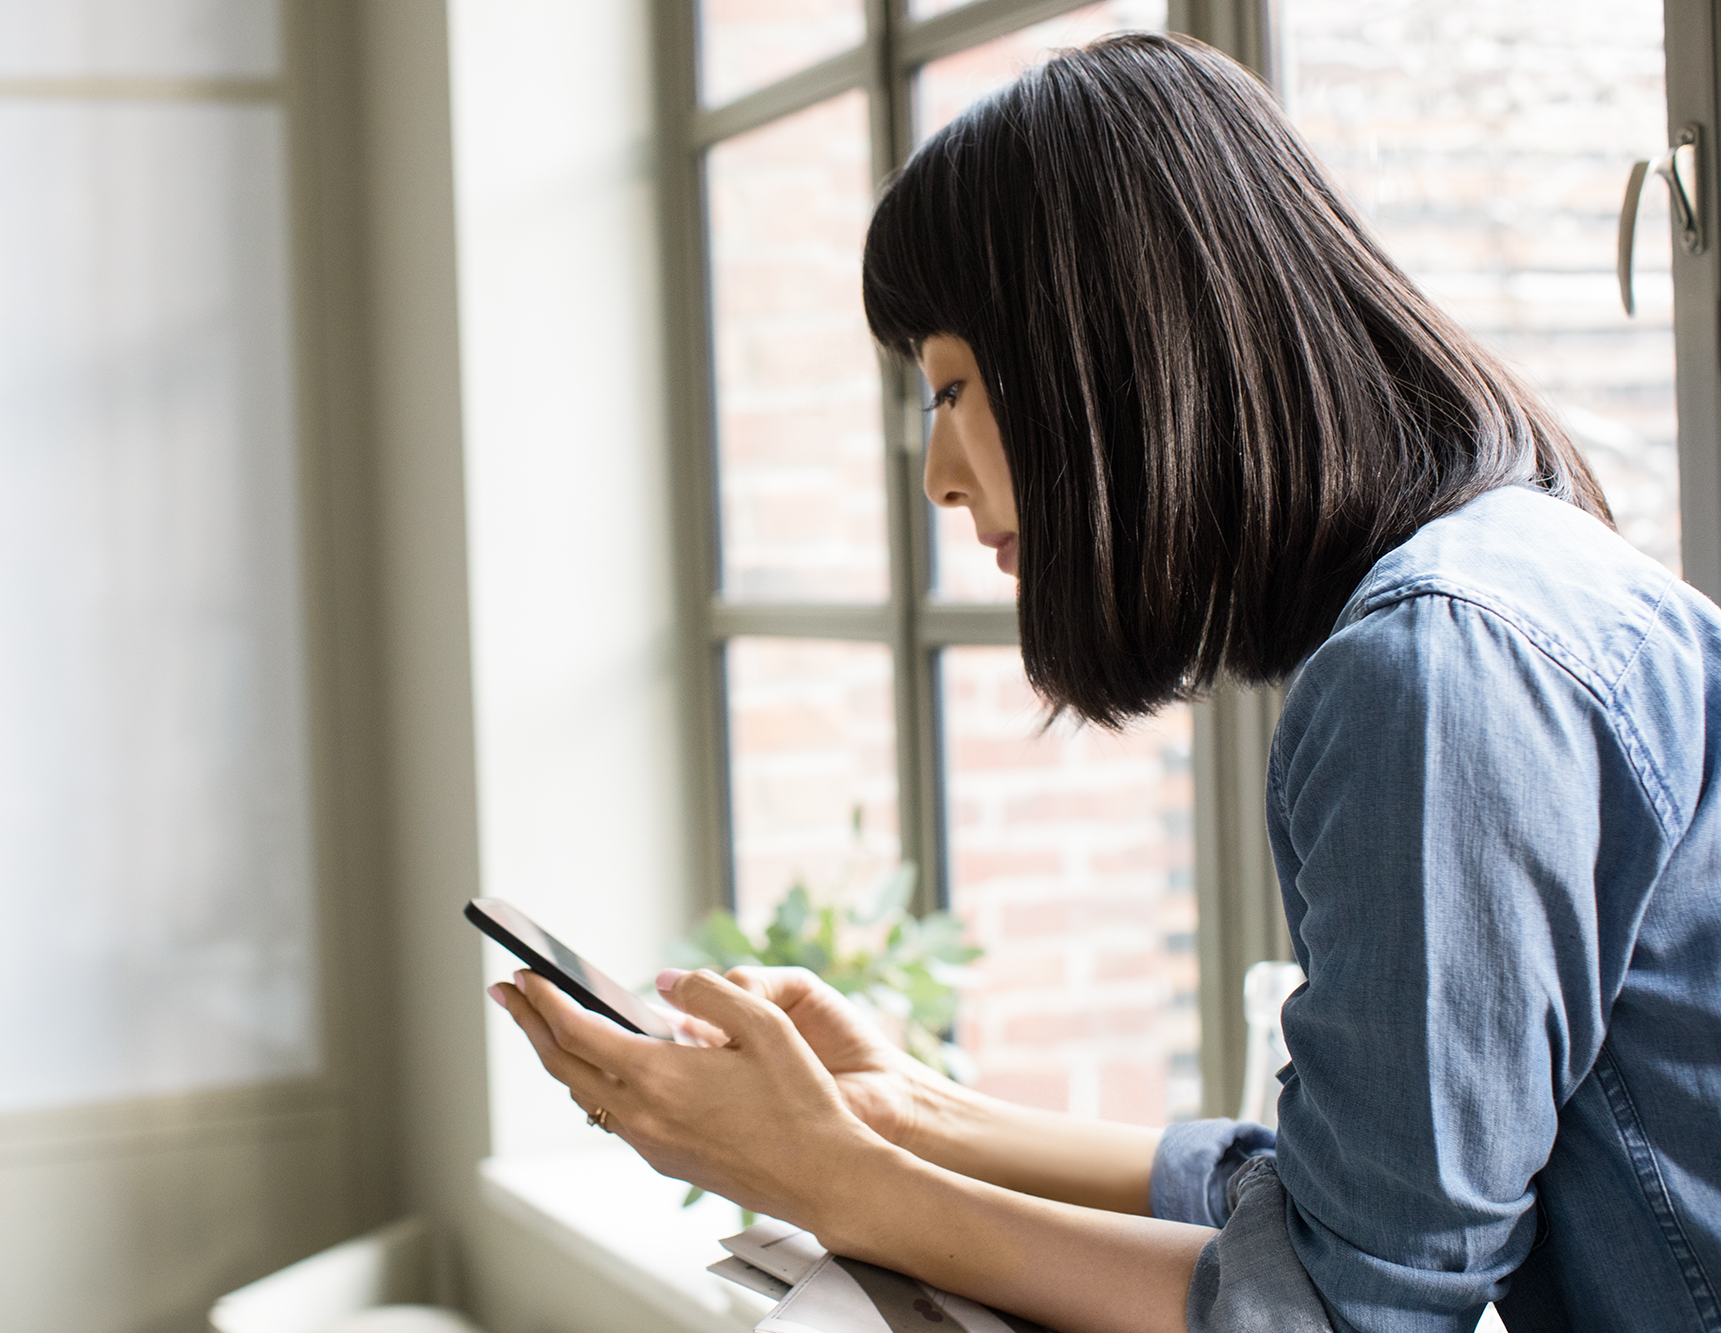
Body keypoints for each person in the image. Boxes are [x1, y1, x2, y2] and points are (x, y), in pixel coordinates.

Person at [489, 31, 1721, 1333]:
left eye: (953, 386)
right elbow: (1345, 1197)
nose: (939, 477)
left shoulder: (1437, 666)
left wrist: (829, 1177)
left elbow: (1353, 1311)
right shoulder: (1490, 595)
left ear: (1110, 353)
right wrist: (908, 1112)